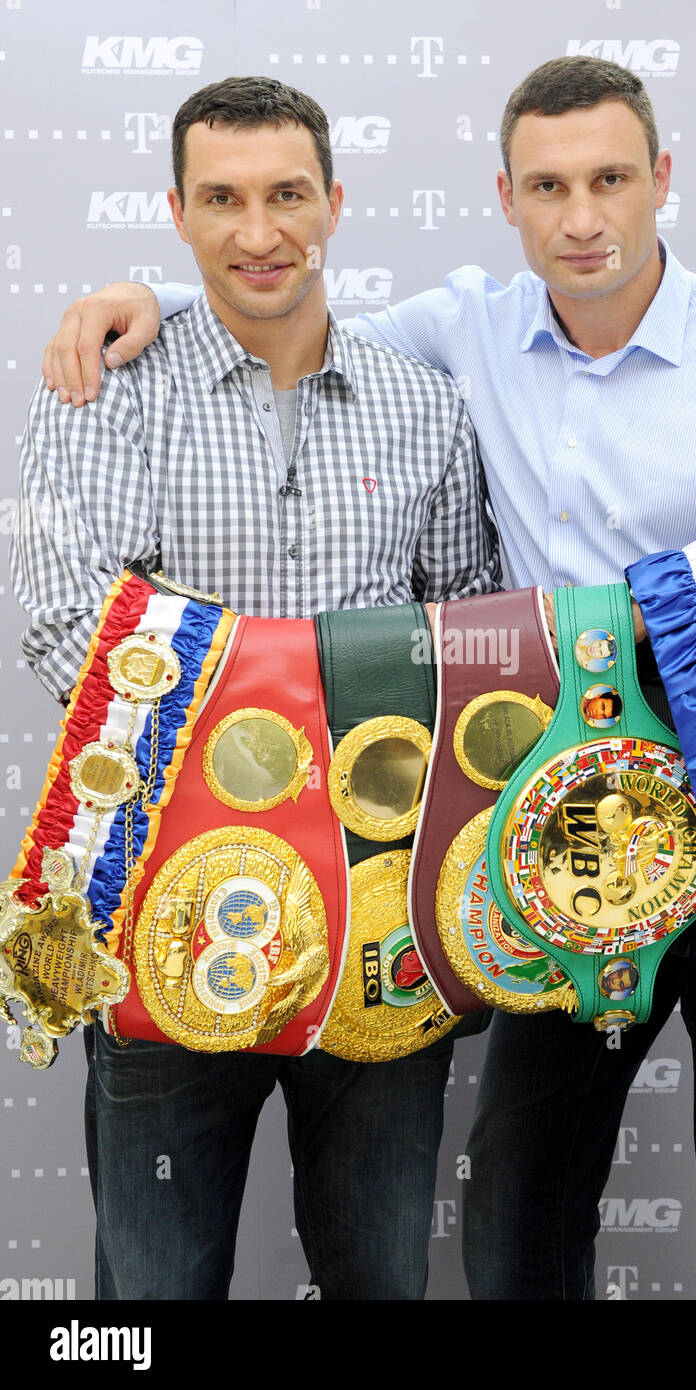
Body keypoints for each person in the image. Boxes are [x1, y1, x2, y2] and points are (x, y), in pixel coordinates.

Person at [38, 57, 696, 1300]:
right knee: (516, 1212)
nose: (582, 218)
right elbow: (278, 308)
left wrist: (670, 605)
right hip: (551, 840)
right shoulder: (456, 335)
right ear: (503, 197)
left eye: (612, 179)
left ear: (661, 180)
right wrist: (137, 291)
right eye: (549, 185)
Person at [12, 75, 499, 1301]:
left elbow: (470, 633)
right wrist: (275, 749)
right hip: (161, 912)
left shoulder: (425, 408)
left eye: (287, 195)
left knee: (384, 1275)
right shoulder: (101, 389)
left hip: (382, 922)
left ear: (335, 202)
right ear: (175, 214)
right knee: (151, 1293)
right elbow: (67, 620)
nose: (259, 231)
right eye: (222, 200)